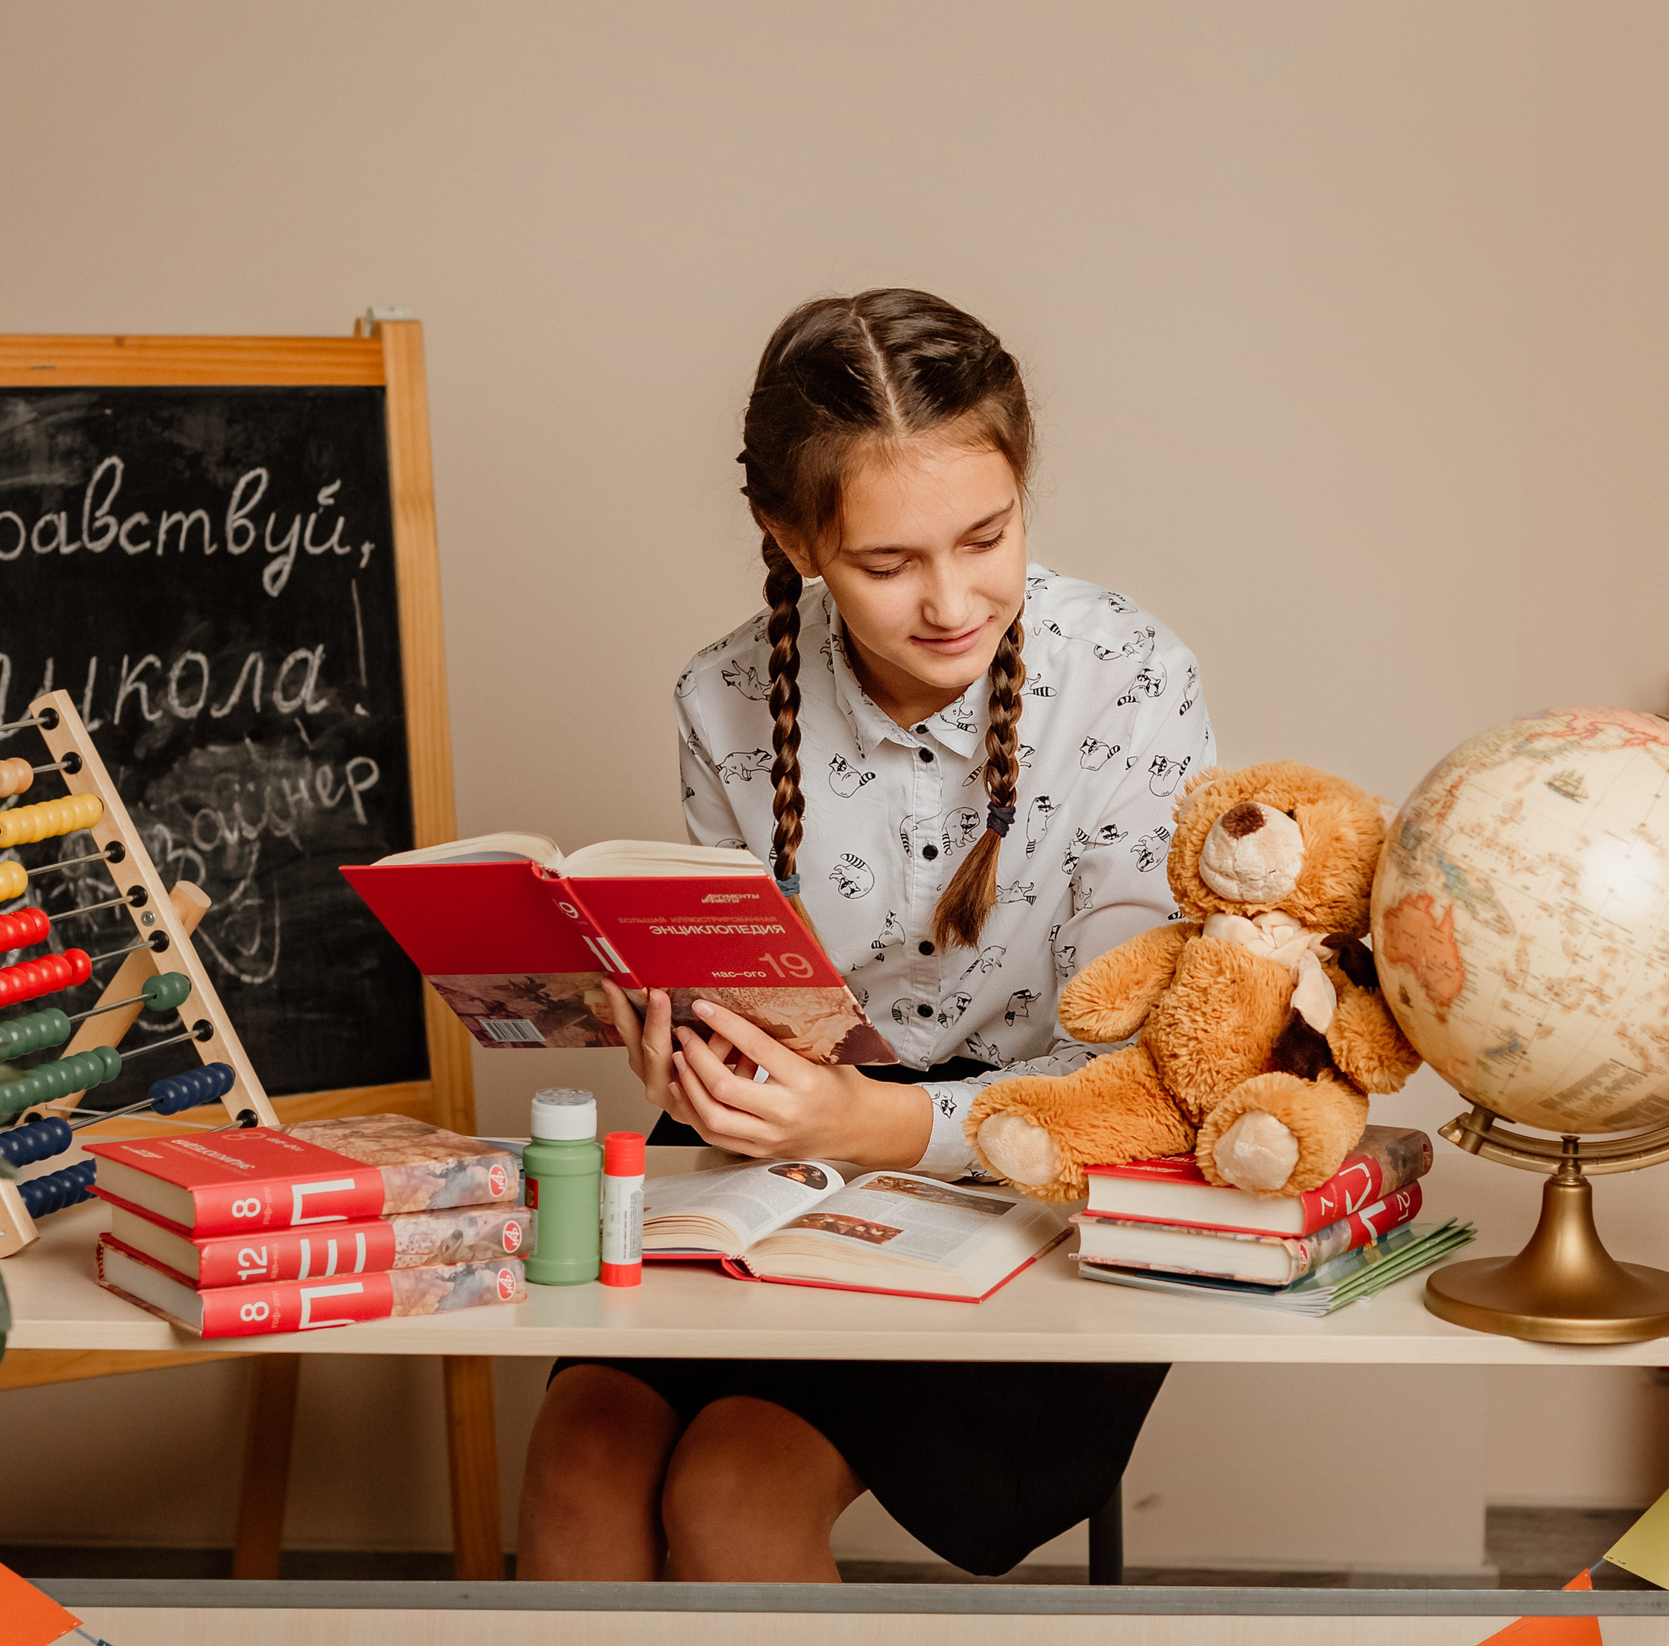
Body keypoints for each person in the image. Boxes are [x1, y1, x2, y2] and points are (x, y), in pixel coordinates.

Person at [514, 289, 1214, 1583]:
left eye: (985, 537)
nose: (951, 600)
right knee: (582, 1453)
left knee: (731, 1484)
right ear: (789, 538)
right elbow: (755, 995)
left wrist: (865, 1124)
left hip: (1038, 1166)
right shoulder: (723, 697)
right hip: (793, 1148)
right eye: (888, 563)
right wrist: (697, 1059)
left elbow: (1135, 1082)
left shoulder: (1132, 677)